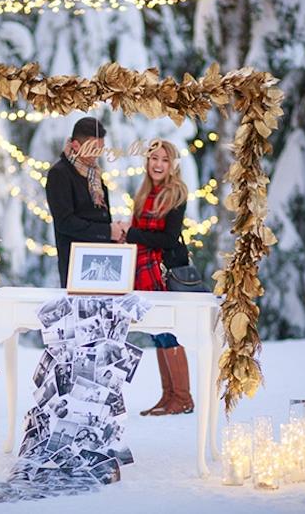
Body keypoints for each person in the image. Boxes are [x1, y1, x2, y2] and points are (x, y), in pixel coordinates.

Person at [117, 139, 194, 416]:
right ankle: (168, 395)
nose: (158, 164)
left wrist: (133, 234)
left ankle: (183, 397)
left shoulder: (177, 194)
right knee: (157, 332)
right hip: (143, 270)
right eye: (153, 159)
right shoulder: (143, 194)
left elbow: (168, 238)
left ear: (172, 165)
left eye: (164, 159)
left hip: (163, 271)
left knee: (169, 332)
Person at [46, 117, 125, 287]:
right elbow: (65, 223)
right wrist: (107, 231)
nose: (98, 154)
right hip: (77, 267)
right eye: (93, 149)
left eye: (101, 149)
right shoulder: (59, 174)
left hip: (103, 262)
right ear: (75, 145)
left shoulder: (94, 174)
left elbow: (99, 217)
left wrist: (114, 234)